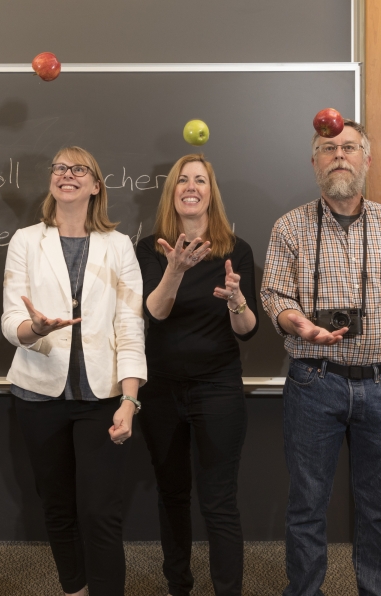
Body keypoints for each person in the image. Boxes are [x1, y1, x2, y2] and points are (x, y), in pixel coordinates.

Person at [261, 119, 381, 596]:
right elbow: (274, 295)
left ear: (366, 159)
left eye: (349, 147)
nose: (339, 155)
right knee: (307, 506)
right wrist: (300, 325)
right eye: (327, 148)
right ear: (314, 162)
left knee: (380, 507)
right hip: (315, 382)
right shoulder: (289, 227)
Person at [1, 146, 146, 596]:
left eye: (78, 169)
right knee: (57, 506)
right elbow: (10, 320)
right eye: (60, 168)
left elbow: (130, 324)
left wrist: (129, 399)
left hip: (101, 398)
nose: (67, 174)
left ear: (95, 185)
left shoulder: (119, 245)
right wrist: (34, 329)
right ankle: (74, 588)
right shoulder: (27, 240)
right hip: (38, 395)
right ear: (51, 182)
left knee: (101, 510)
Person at [135, 154, 258, 596]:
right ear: (173, 193)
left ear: (211, 192)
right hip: (162, 390)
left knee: (220, 501)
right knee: (172, 496)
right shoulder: (152, 249)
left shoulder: (235, 249)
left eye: (200, 180)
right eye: (182, 180)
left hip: (218, 390)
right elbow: (155, 311)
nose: (191, 186)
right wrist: (175, 269)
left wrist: (236, 301)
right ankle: (178, 587)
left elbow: (248, 332)